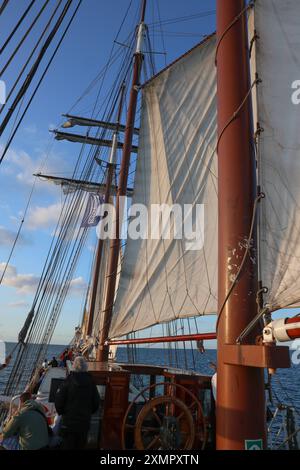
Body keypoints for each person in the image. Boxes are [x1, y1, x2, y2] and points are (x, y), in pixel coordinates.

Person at [54, 356, 100, 450]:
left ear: (74, 366)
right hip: (84, 423)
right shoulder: (91, 383)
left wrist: (63, 412)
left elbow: (59, 401)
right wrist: (87, 413)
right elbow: (96, 403)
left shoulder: (68, 382)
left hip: (68, 424)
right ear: (86, 367)